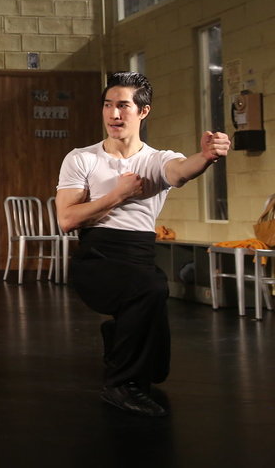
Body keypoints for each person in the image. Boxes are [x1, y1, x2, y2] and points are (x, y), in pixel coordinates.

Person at [56, 71, 229, 417]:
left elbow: (180, 171)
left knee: (158, 369)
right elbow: (67, 220)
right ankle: (120, 386)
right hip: (97, 258)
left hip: (138, 256)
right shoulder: (82, 158)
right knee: (151, 287)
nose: (113, 115)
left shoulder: (155, 159)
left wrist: (206, 157)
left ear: (143, 112)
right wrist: (117, 195)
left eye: (123, 106)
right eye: (108, 106)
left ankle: (117, 335)